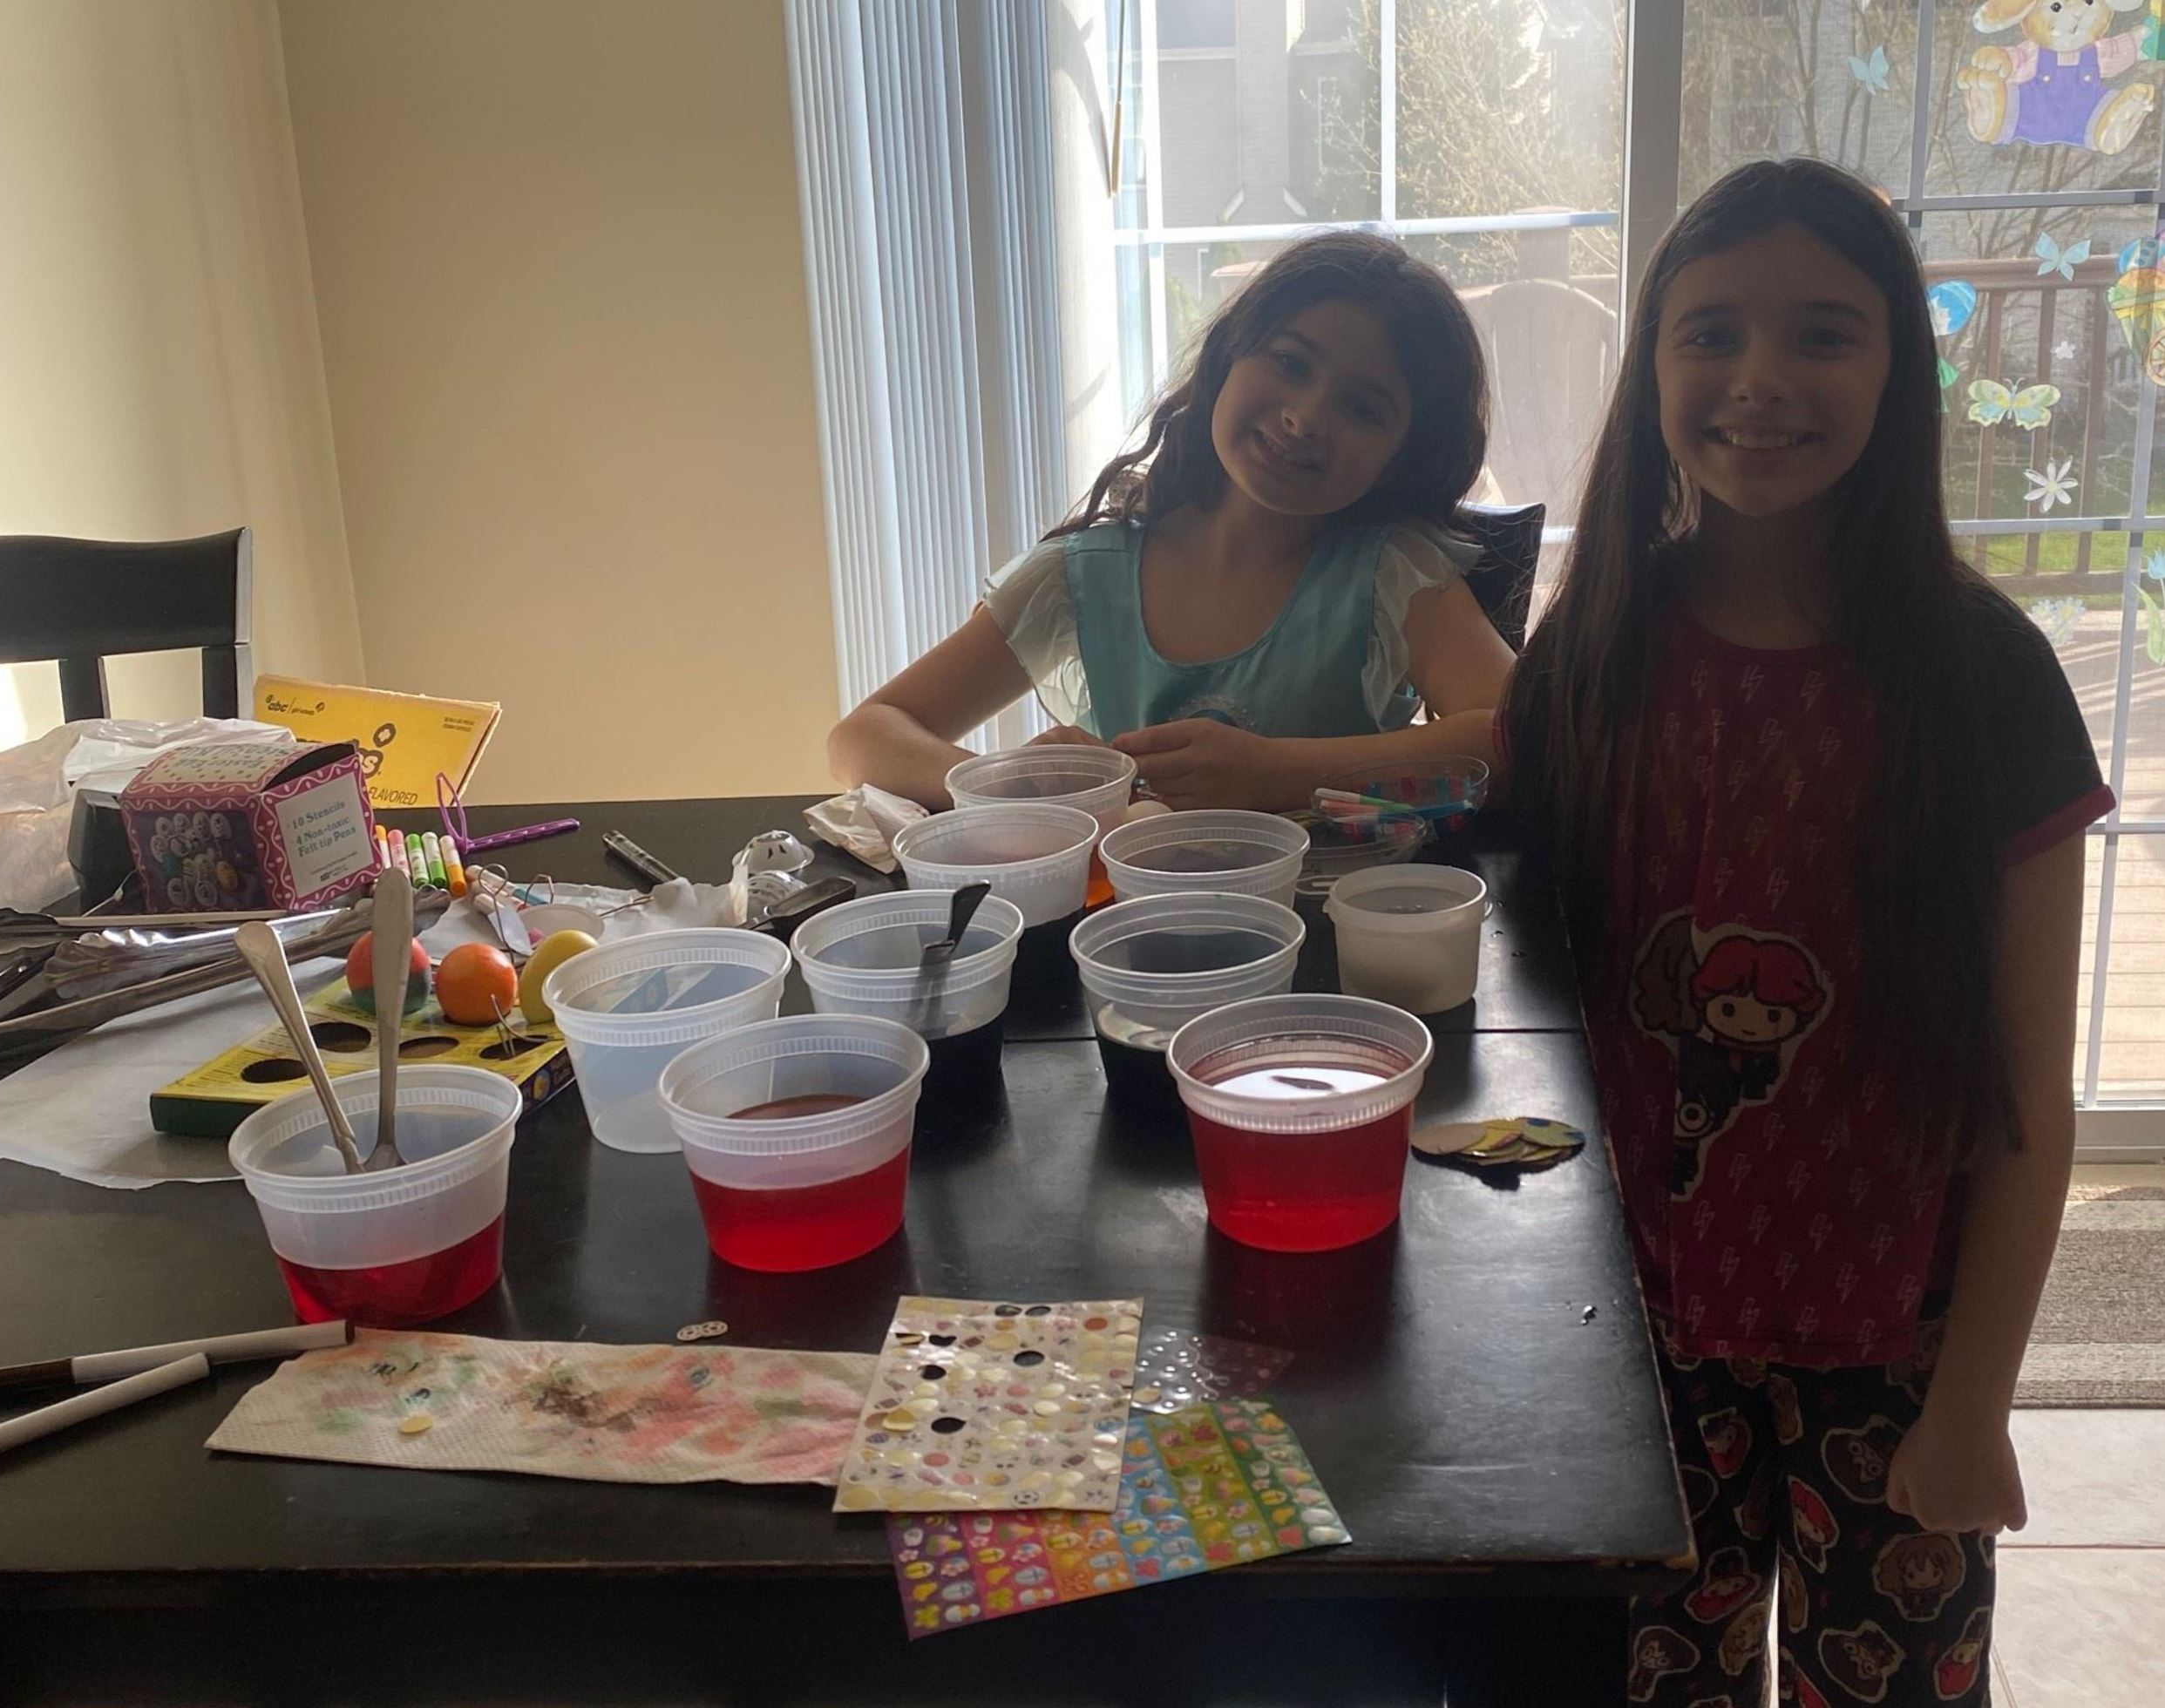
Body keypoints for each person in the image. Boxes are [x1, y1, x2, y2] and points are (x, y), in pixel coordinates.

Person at [1501, 159, 2110, 1705]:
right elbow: (1532, 1024)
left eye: (1824, 333)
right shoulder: (1588, 656)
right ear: (1653, 368)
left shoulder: (1988, 677)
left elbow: (2028, 1097)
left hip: (1898, 1349)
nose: (1759, 379)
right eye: (1711, 333)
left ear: (1897, 371)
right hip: (1634, 1342)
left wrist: (1974, 1404)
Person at [825, 231, 1517, 811]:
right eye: (1289, 362)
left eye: (1362, 409)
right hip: (1130, 928)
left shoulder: (1395, 576)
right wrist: (1008, 789)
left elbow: (1514, 736)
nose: (1305, 417)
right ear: (1227, 356)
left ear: (1401, 458)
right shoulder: (1082, 579)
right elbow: (862, 737)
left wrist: (1278, 771)